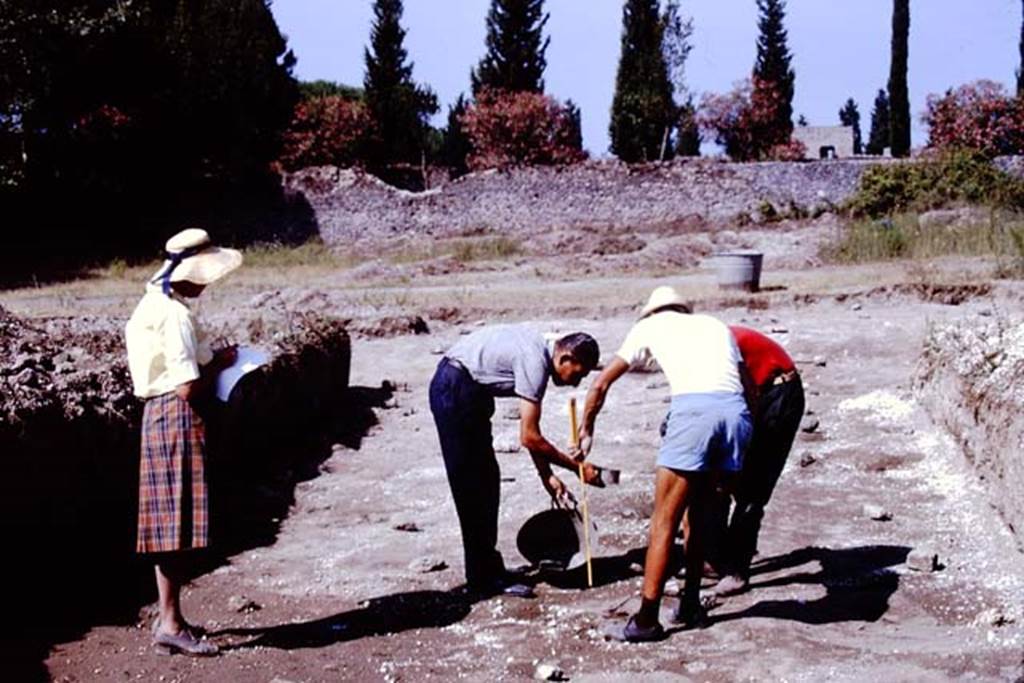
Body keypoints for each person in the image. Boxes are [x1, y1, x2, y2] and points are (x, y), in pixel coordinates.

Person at [578, 286, 752, 642]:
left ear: (652, 312)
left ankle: (646, 620)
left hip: (696, 414)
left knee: (664, 520)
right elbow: (748, 386)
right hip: (736, 415)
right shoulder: (715, 325)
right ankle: (690, 603)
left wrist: (586, 430)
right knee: (700, 514)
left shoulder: (650, 327)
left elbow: (600, 383)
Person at [125, 228, 242, 656]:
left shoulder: (153, 304)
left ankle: (170, 617)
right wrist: (224, 365)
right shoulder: (172, 314)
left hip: (159, 414)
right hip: (175, 415)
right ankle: (170, 622)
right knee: (174, 523)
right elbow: (187, 386)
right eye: (203, 275)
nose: (206, 284)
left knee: (170, 519)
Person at [429, 325, 604, 598]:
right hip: (454, 389)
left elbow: (529, 432)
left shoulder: (542, 351)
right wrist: (578, 469)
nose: (575, 383)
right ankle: (481, 578)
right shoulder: (534, 363)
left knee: (486, 481)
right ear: (566, 358)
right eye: (578, 374)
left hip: (468, 391)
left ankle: (487, 568)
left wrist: (547, 476)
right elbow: (530, 437)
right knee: (472, 488)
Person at [708, 325, 805, 596]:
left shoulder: (709, 342)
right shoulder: (689, 348)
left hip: (778, 394)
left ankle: (737, 569)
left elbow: (733, 395)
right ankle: (716, 559)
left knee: (752, 486)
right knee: (717, 479)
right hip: (751, 394)